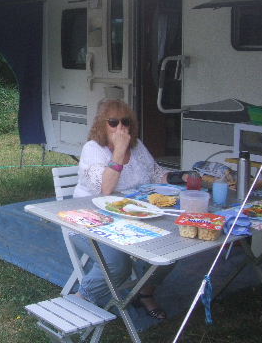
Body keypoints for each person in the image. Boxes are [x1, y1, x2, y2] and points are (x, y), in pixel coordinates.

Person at [71, 98, 185, 320]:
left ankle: (144, 291)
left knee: (174, 247)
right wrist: (119, 151)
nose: (121, 127)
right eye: (113, 122)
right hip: (91, 220)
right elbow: (105, 189)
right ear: (101, 125)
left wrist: (180, 178)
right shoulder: (92, 149)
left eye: (126, 121)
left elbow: (155, 174)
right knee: (117, 264)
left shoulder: (138, 146)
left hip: (134, 217)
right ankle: (83, 298)